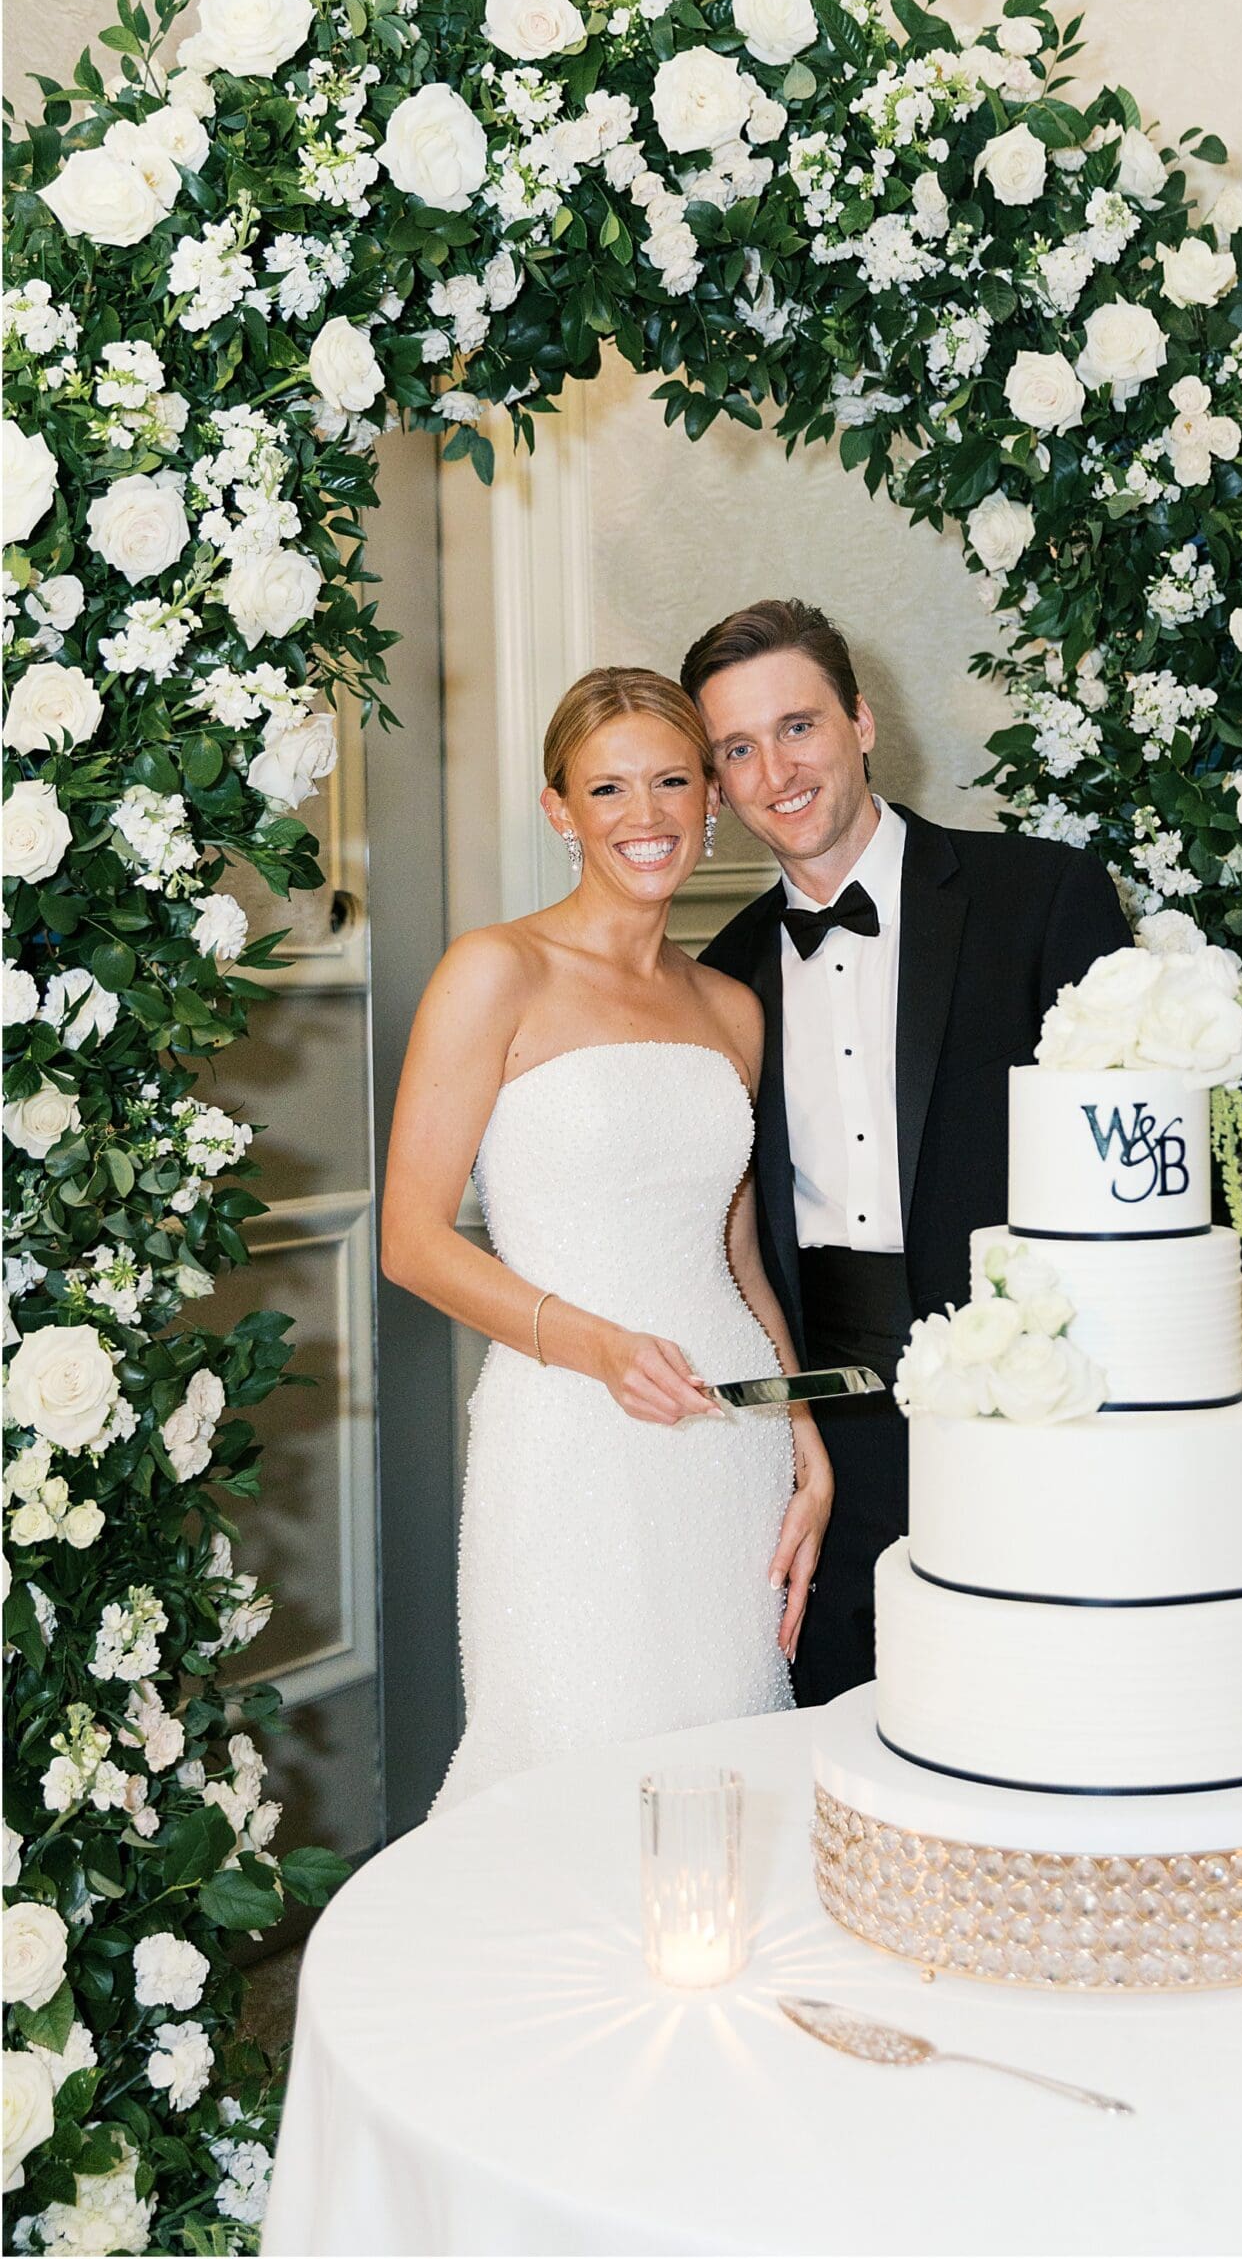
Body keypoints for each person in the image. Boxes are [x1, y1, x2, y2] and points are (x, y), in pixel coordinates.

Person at [382, 666, 833, 1812]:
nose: (646, 816)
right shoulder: (495, 971)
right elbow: (410, 1240)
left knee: (723, 1774)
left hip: (724, 1439)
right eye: (610, 788)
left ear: (709, 800)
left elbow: (733, 1249)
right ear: (559, 810)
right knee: (568, 1765)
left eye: (673, 781)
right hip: (569, 1432)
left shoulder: (730, 1007)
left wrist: (797, 1424)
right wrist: (595, 1348)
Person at [685, 600, 1130, 1707]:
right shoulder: (720, 974)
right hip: (827, 1438)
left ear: (861, 721)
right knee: (843, 1744)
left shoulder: (1041, 896)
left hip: (1029, 1411)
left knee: (1040, 1722)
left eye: (798, 727)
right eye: (737, 749)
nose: (774, 771)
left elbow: (1134, 1174)